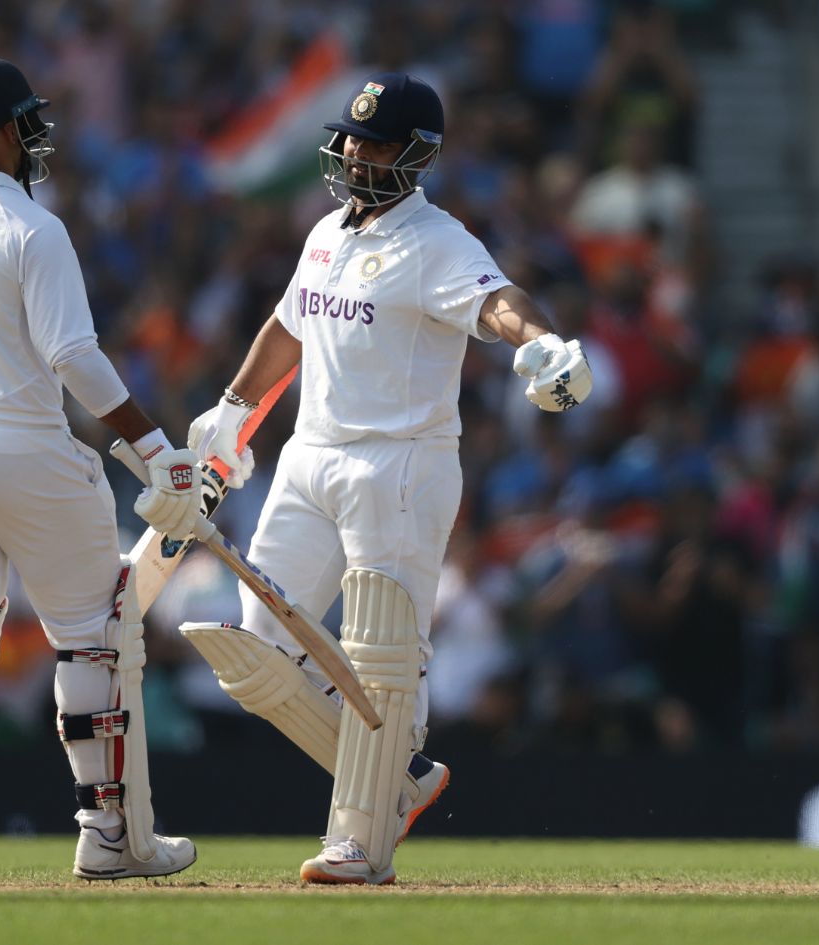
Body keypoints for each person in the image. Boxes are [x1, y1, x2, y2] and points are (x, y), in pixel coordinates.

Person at [152, 73, 592, 884]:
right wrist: (230, 408)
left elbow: (500, 301)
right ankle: (402, 778)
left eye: (378, 142)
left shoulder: (439, 242)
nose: (356, 152)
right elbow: (288, 327)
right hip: (310, 457)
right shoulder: (325, 232)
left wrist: (537, 343)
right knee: (253, 650)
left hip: (401, 463)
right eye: (352, 138)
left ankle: (359, 839)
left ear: (418, 155)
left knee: (384, 651)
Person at [0, 57, 203, 884]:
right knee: (96, 637)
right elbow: (73, 357)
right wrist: (153, 450)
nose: (33, 137)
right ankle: (113, 834)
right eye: (23, 122)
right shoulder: (32, 223)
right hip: (17, 441)